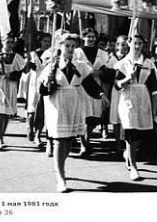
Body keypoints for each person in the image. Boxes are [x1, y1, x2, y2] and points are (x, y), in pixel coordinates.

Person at [38, 33, 109, 193]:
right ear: (60, 47)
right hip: (57, 104)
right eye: (67, 46)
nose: (70, 49)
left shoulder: (80, 65)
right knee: (59, 140)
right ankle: (61, 177)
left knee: (69, 141)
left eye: (72, 46)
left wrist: (101, 94)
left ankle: (59, 165)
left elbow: (89, 82)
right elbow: (42, 90)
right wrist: (49, 83)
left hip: (74, 103)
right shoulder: (51, 66)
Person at [114, 33, 157, 181]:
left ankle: (128, 153)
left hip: (143, 98)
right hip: (128, 98)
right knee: (131, 131)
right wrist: (128, 77)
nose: (137, 46)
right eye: (134, 43)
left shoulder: (149, 64)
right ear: (129, 44)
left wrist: (156, 104)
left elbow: (153, 87)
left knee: (140, 131)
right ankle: (134, 167)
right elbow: (116, 85)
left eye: (140, 43)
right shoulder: (123, 64)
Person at [73, 28, 110, 156]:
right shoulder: (77, 52)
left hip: (97, 86)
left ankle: (87, 138)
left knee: (94, 117)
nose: (91, 39)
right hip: (82, 87)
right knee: (84, 115)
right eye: (88, 36)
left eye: (93, 37)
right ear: (83, 38)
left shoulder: (102, 53)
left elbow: (107, 70)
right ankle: (83, 144)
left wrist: (100, 72)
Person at [0, 34, 28, 151]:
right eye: (7, 42)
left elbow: (24, 71)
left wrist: (13, 75)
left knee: (6, 114)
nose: (10, 44)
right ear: (3, 43)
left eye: (11, 42)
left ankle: (2, 135)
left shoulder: (17, 57)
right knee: (1, 112)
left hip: (11, 86)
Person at [103, 35, 130, 154]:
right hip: (116, 91)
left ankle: (126, 143)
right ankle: (117, 143)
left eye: (125, 44)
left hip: (129, 90)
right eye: (120, 44)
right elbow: (107, 78)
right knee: (116, 117)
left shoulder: (130, 59)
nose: (122, 47)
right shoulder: (112, 59)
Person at [25, 32, 52, 144]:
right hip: (34, 83)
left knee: (42, 110)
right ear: (40, 41)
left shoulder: (52, 54)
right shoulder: (33, 54)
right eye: (45, 41)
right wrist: (28, 62)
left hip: (45, 84)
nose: (47, 43)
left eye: (49, 41)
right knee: (32, 109)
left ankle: (38, 134)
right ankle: (30, 128)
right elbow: (27, 68)